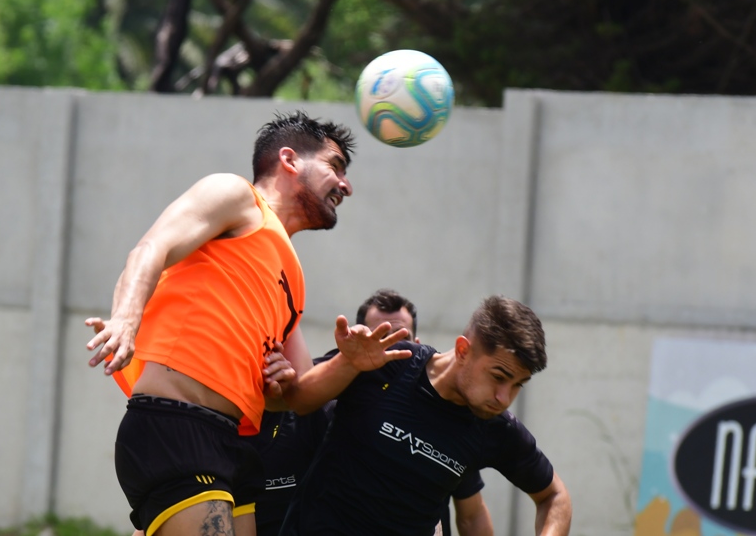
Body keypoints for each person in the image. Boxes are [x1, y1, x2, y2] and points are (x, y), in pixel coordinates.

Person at [84, 111, 411, 536]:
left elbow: (298, 397)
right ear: (290, 160)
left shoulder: (293, 279)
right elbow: (152, 248)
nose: (346, 185)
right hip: (178, 425)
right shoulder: (237, 196)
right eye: (335, 166)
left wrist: (347, 363)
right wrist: (127, 319)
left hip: (235, 446)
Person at [278, 295, 572, 536]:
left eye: (518, 385)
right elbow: (299, 402)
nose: (504, 398)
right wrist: (346, 364)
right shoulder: (390, 362)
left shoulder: (494, 427)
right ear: (462, 350)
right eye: (499, 376)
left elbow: (555, 497)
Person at [249, 289, 492, 536]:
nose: (384, 348)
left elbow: (472, 514)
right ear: (353, 343)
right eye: (378, 336)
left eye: (400, 337)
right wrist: (275, 385)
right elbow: (294, 394)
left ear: (419, 347)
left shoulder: (448, 419)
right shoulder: (324, 406)